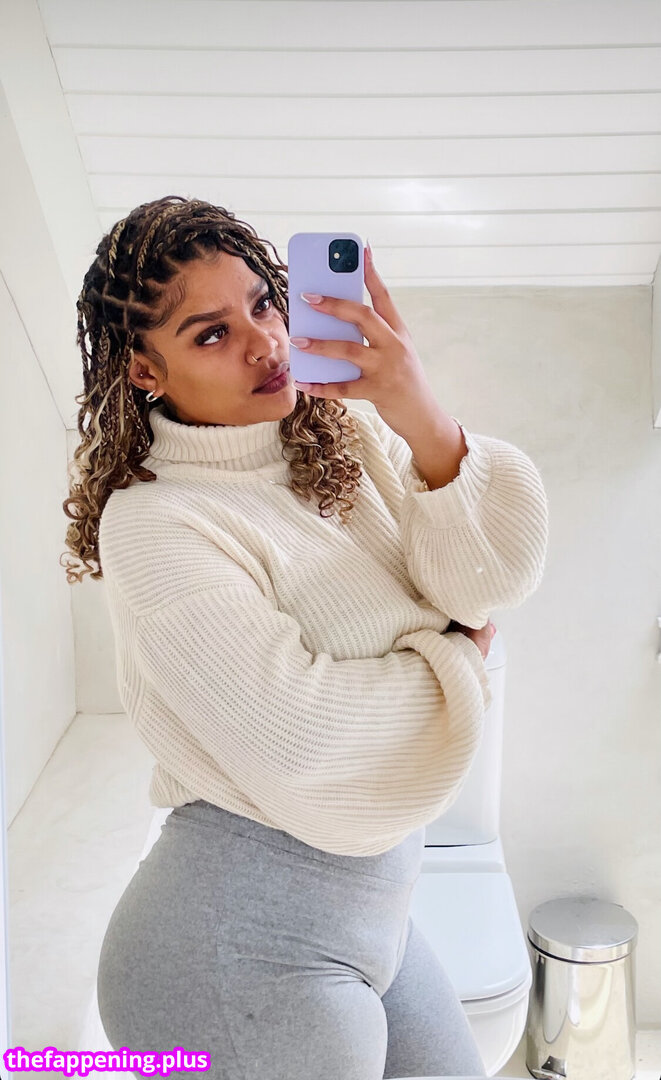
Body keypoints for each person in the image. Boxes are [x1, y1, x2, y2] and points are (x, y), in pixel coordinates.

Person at [61, 195, 548, 1079]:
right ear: (144, 369)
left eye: (263, 304)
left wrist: (419, 413)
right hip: (231, 944)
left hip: (375, 913)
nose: (263, 342)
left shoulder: (342, 439)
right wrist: (456, 654)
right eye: (211, 334)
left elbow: (490, 581)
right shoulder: (157, 522)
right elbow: (306, 741)